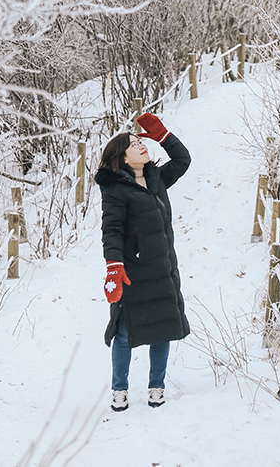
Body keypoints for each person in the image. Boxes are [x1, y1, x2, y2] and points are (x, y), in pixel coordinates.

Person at [94, 112, 191, 412]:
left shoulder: (156, 178)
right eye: (134, 145)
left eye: (141, 142)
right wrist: (114, 265)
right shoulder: (115, 189)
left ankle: (156, 386)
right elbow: (111, 230)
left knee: (163, 327)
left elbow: (183, 161)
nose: (141, 146)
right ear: (121, 158)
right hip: (132, 270)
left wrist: (163, 136)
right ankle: (119, 389)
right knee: (124, 332)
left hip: (162, 268)